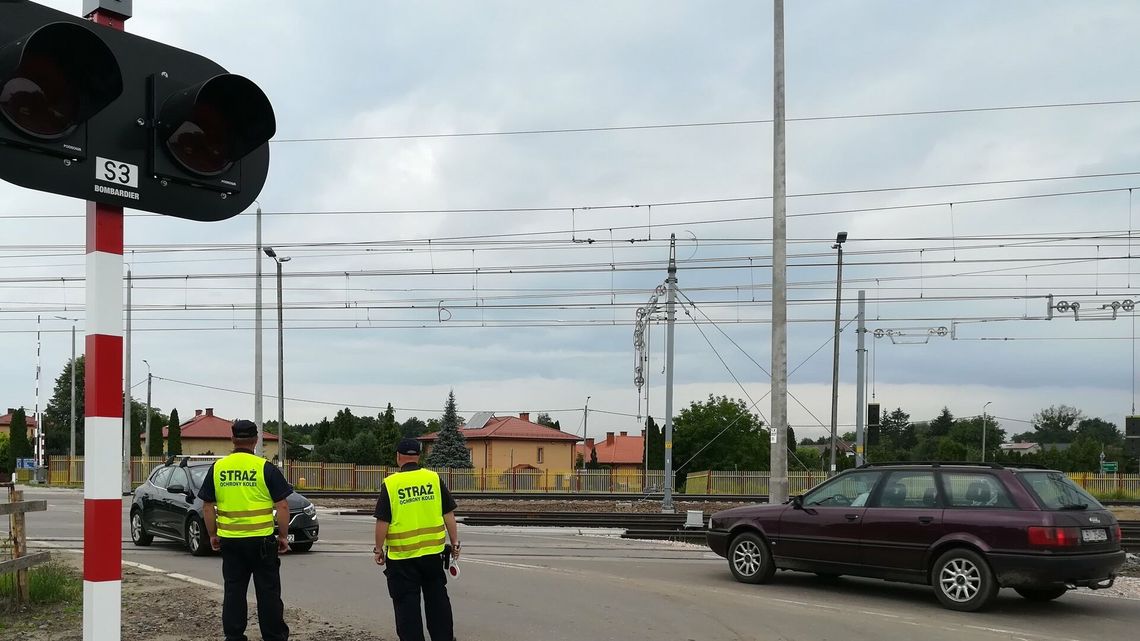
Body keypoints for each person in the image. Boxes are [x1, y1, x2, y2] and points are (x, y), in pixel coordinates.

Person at [200, 419, 293, 641]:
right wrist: (282, 536)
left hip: (231, 542)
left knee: (234, 592)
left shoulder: (218, 468)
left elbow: (207, 505)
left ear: (232, 439)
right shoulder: (265, 468)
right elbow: (282, 505)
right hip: (262, 542)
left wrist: (213, 534)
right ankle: (274, 637)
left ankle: (234, 636)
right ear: (256, 440)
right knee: (268, 593)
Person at [374, 438, 460, 641]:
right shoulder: (433, 479)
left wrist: (378, 549)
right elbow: (448, 513)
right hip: (432, 555)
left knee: (406, 605)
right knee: (437, 600)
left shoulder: (391, 484)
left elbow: (382, 522)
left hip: (402, 557)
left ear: (398, 457)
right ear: (419, 456)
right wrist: (455, 542)